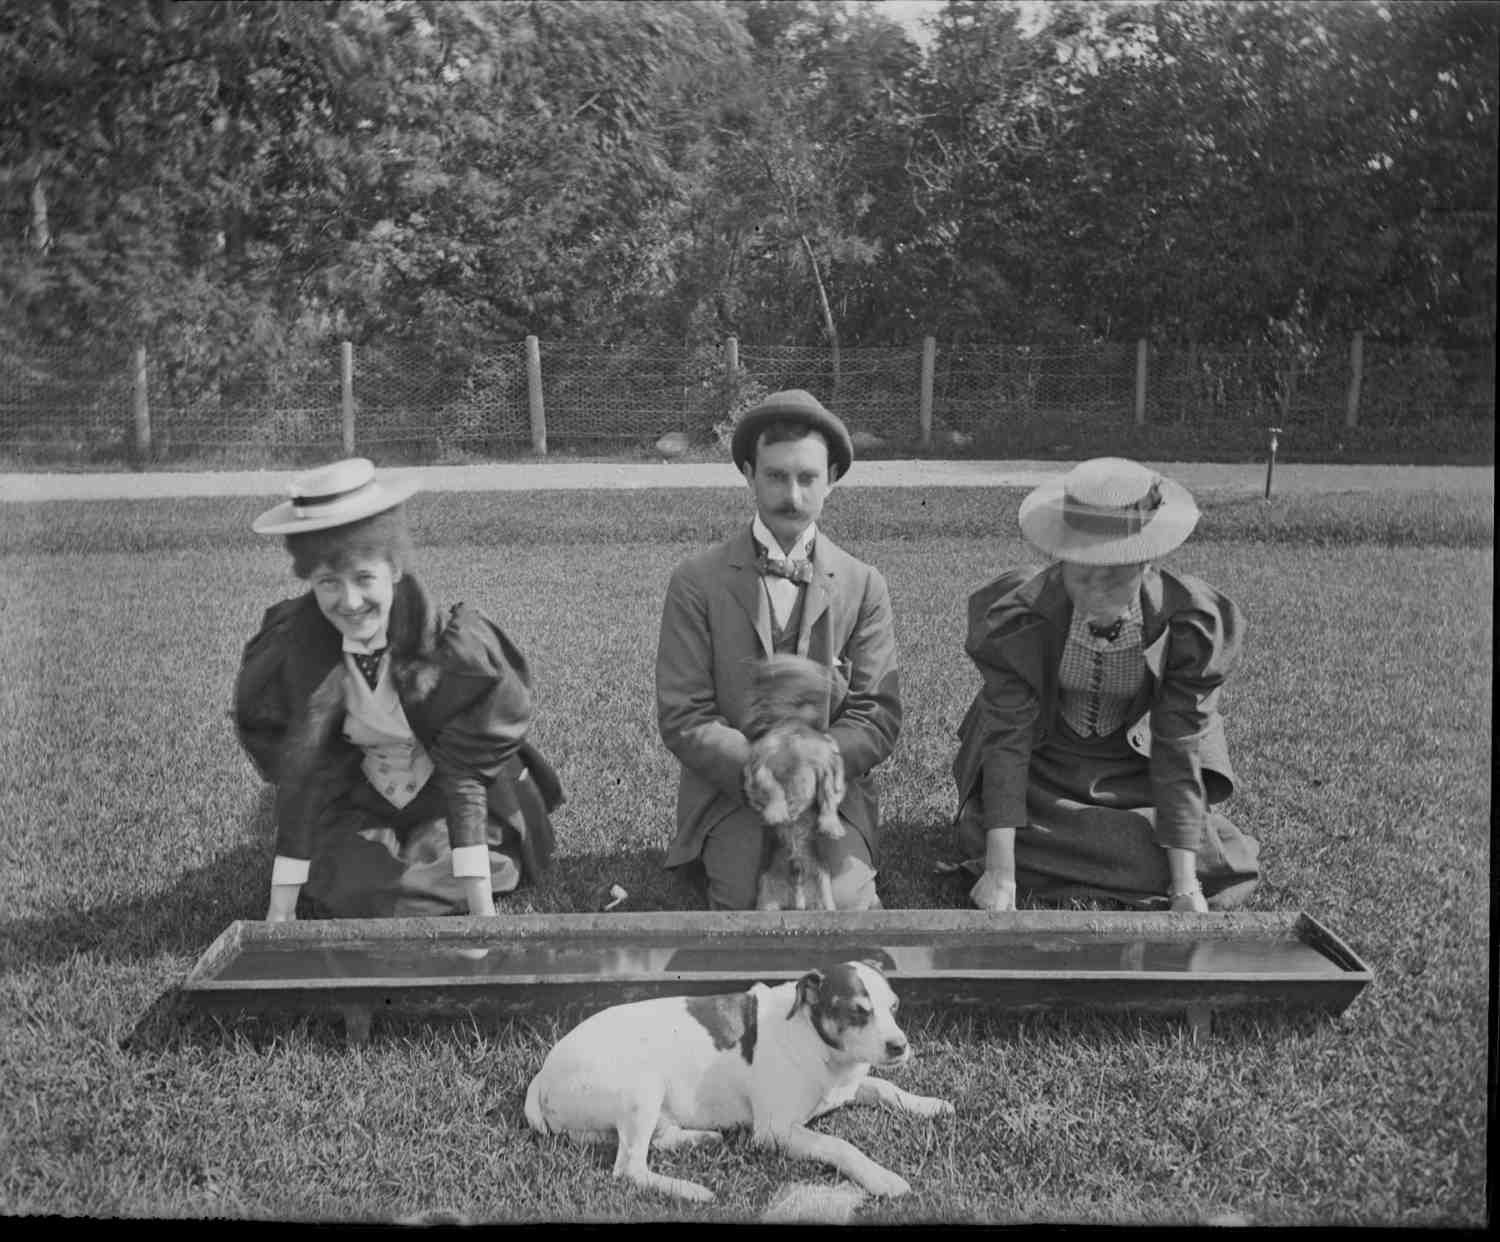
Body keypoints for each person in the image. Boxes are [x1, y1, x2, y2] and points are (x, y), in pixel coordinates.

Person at [234, 458, 563, 921]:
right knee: (355, 884)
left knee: (457, 868)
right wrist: (279, 913)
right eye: (328, 581)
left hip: (452, 800)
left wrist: (482, 914)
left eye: (363, 577)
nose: (349, 603)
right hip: (362, 798)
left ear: (392, 567)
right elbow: (304, 776)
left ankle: (437, 870)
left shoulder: (455, 648)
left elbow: (464, 782)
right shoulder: (295, 648)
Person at [951, 457, 1260, 913]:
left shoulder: (1189, 624)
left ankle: (1113, 855)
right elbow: (1008, 742)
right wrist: (1000, 873)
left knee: (1216, 861)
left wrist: (1184, 885)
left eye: (1115, 576)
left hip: (1137, 773)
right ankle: (1071, 855)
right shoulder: (1020, 616)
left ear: (1146, 563)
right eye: (1081, 574)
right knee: (984, 835)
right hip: (1046, 766)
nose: (1096, 592)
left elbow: (1177, 751)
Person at [655, 389, 902, 911]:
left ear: (831, 479)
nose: (792, 494)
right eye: (775, 475)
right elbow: (684, 714)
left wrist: (816, 767)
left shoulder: (863, 583)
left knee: (846, 905)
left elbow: (876, 713)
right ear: (748, 473)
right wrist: (765, 772)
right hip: (737, 789)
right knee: (747, 908)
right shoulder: (697, 581)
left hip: (829, 792)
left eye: (808, 477)